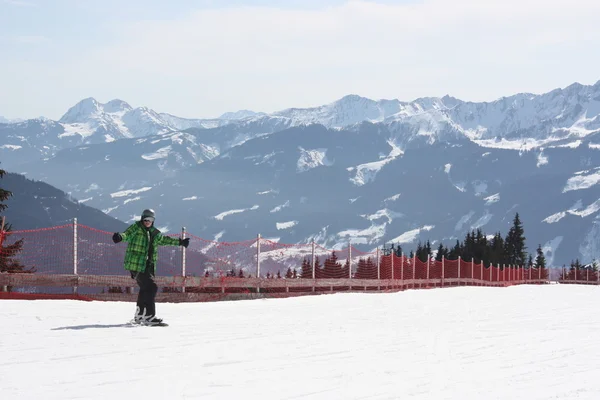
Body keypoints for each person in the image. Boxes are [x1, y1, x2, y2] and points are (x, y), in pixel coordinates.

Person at [112, 208, 190, 325]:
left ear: (153, 220)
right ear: (142, 218)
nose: (147, 221)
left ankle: (140, 315)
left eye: (150, 219)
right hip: (136, 264)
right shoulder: (136, 228)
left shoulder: (154, 233)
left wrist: (180, 242)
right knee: (152, 287)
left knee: (145, 288)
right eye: (145, 219)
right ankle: (149, 316)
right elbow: (127, 234)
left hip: (147, 266)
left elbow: (164, 240)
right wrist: (120, 237)